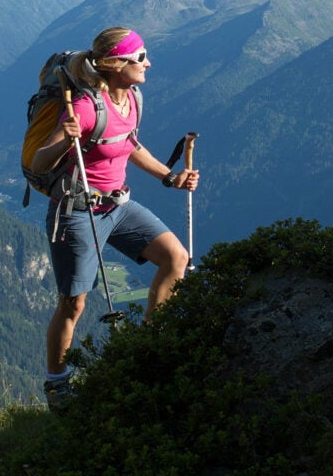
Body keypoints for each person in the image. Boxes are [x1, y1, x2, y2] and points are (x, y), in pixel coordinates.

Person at [28, 27, 199, 410]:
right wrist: (61, 137)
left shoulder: (133, 98)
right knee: (73, 304)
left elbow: (129, 143)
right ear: (114, 64)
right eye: (140, 58)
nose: (147, 63)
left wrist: (169, 177)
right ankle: (57, 384)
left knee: (176, 258)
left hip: (118, 206)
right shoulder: (86, 108)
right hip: (77, 211)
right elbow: (40, 162)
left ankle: (148, 349)